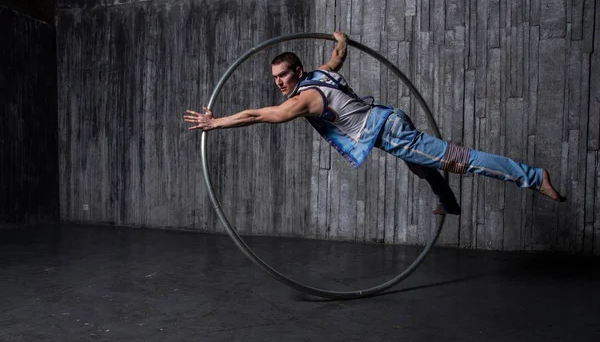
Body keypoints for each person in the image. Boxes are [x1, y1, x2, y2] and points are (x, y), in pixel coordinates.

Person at [184, 32, 565, 215]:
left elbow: (258, 115)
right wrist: (341, 40)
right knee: (422, 166)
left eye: (283, 75)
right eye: (275, 79)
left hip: (388, 131)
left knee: (460, 159)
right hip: (390, 121)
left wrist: (215, 123)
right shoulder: (321, 74)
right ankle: (448, 203)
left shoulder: (305, 98)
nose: (279, 83)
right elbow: (337, 57)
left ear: (297, 72)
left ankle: (533, 176)